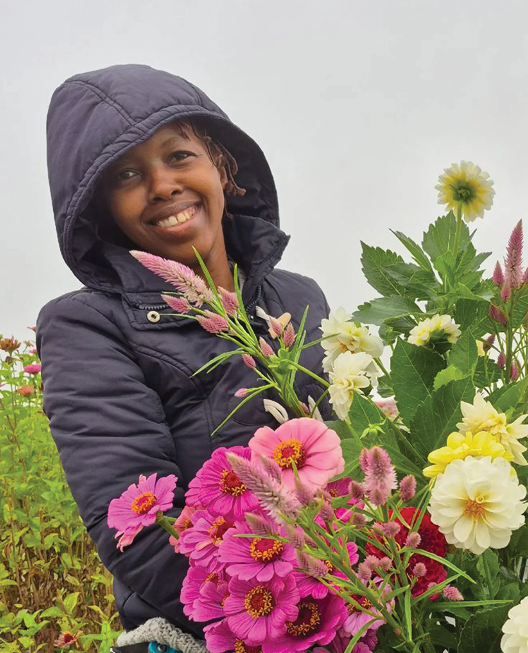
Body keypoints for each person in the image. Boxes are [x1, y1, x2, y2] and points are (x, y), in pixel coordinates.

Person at [37, 64, 331, 653]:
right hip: (215, 628)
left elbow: (350, 454)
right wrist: (291, 615)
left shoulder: (300, 298)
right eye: (126, 174)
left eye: (178, 155)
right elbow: (136, 529)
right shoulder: (85, 325)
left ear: (221, 165)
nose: (163, 184)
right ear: (101, 208)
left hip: (348, 602)